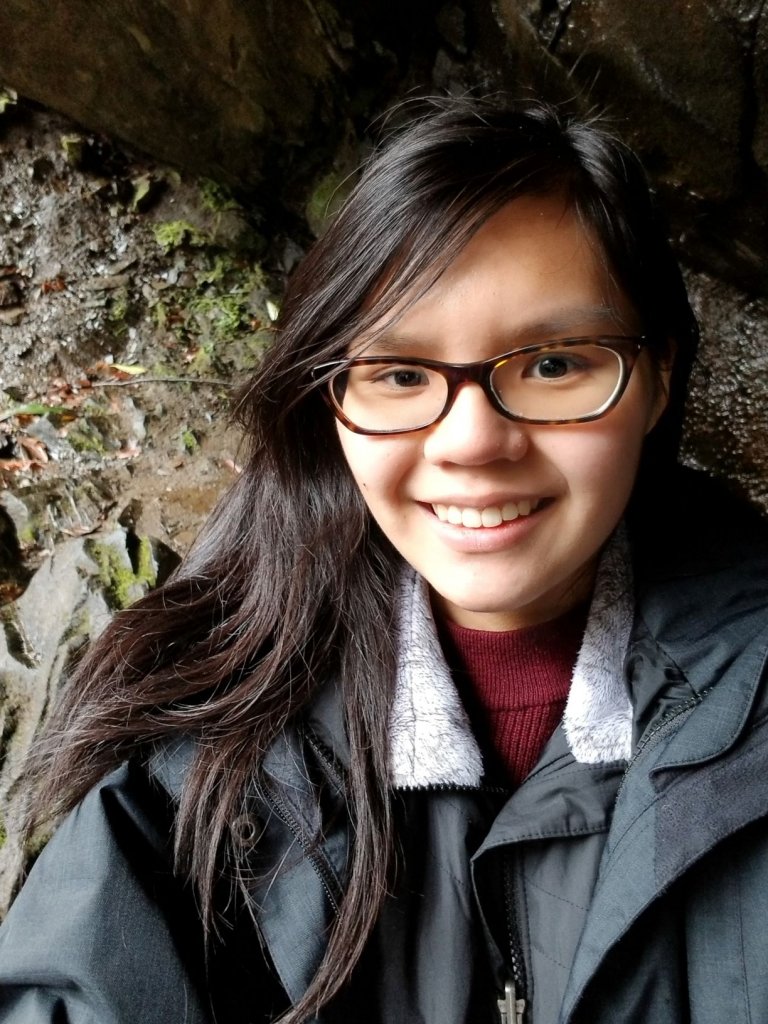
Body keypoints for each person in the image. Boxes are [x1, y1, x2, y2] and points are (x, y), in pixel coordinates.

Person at [0, 95, 767, 1024]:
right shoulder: (207, 743)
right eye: (402, 375)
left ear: (657, 380)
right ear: (331, 402)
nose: (473, 441)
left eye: (555, 363)